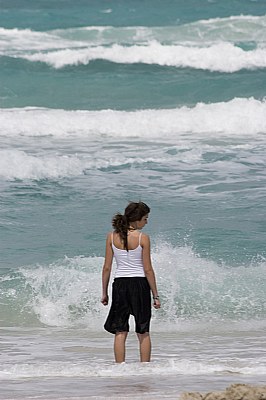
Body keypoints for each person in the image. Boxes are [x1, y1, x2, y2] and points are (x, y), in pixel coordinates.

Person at [101, 201, 161, 363]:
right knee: (143, 331)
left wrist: (104, 292)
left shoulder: (112, 237)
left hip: (120, 285)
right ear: (136, 219)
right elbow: (148, 269)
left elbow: (106, 267)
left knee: (120, 331)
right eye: (145, 218)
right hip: (139, 285)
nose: (146, 222)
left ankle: (120, 369)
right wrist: (155, 295)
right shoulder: (143, 238)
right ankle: (145, 369)